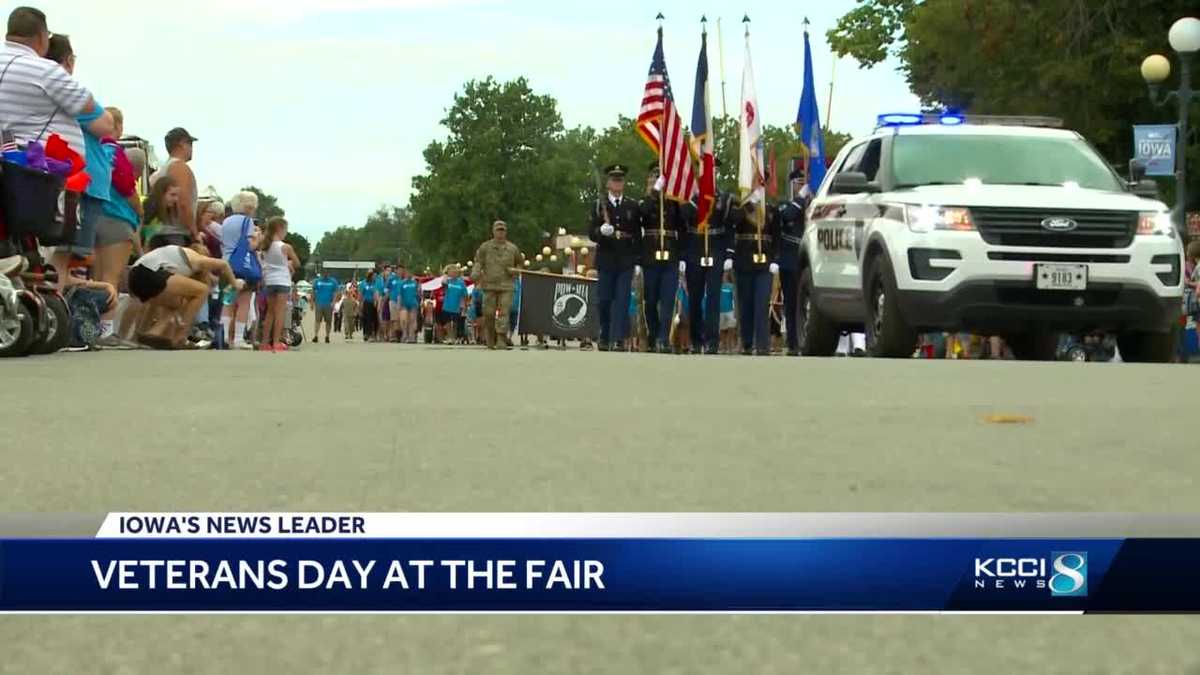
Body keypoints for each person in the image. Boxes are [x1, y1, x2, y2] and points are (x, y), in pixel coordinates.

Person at [127, 244, 243, 349]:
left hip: (134, 278)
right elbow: (223, 264)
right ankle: (180, 336)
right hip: (148, 273)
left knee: (175, 302)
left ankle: (151, 333)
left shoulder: (176, 259)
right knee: (202, 290)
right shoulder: (197, 258)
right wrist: (234, 283)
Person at [682, 168, 735, 355]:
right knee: (694, 298)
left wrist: (729, 253)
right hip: (694, 250)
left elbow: (730, 227)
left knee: (714, 298)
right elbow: (683, 221)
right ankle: (697, 340)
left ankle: (713, 340)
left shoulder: (724, 198)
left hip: (716, 249)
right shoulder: (689, 197)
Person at [588, 164, 640, 352]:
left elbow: (637, 235)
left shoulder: (632, 206)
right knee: (604, 300)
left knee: (622, 300)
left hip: (625, 259)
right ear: (608, 183)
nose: (617, 183)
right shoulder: (598, 205)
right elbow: (591, 233)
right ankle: (605, 334)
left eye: (620, 180)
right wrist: (601, 231)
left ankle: (618, 338)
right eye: (614, 180)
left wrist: (638, 260)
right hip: (606, 258)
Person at [638, 163, 687, 353]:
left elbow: (683, 226)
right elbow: (641, 215)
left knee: (668, 299)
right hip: (650, 255)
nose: (656, 180)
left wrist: (682, 256)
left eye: (660, 178)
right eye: (654, 177)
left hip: (671, 255)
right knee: (650, 301)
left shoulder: (673, 203)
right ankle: (653, 334)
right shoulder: (645, 202)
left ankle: (662, 338)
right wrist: (654, 192)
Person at [732, 200, 781, 356]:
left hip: (765, 261)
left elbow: (777, 236)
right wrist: (747, 205)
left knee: (761, 303)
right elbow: (733, 221)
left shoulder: (771, 208)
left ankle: (762, 344)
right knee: (745, 304)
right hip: (744, 260)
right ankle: (746, 343)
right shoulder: (739, 206)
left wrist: (775, 259)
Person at [472, 220, 524, 350]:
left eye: (503, 230)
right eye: (498, 230)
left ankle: (501, 339)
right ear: (493, 231)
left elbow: (520, 263)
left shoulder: (513, 248)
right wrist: (476, 273)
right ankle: (490, 337)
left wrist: (516, 270)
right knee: (488, 313)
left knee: (504, 313)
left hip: (507, 285)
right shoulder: (485, 247)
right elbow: (478, 262)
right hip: (489, 285)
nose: (500, 233)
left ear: (506, 232)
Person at [219, 190, 260, 350]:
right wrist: (258, 239)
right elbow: (250, 246)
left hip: (226, 263)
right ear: (250, 207)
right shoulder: (247, 222)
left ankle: (223, 337)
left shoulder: (226, 221)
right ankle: (238, 339)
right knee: (243, 302)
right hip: (244, 266)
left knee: (227, 302)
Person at [777, 172, 808, 356]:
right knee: (791, 303)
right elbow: (787, 216)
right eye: (799, 182)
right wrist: (800, 199)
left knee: (807, 304)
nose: (801, 186)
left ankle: (807, 339)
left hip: (809, 263)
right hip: (790, 261)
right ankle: (793, 342)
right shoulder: (784, 203)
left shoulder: (811, 203)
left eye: (804, 183)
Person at [149, 127, 199, 242]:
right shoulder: (179, 167)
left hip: (160, 231)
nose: (192, 149)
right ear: (182, 144)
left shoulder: (160, 171)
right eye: (190, 144)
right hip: (176, 233)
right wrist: (194, 233)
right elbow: (183, 201)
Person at [259, 217, 300, 352]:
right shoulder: (285, 247)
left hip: (270, 280)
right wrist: (288, 264)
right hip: (282, 280)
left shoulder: (265, 245)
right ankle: (276, 342)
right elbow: (297, 263)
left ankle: (265, 342)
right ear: (280, 229)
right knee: (280, 312)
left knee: (270, 312)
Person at [141, 176, 184, 250]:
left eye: (177, 196)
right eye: (172, 195)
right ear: (161, 193)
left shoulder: (166, 209)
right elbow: (141, 229)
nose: (176, 199)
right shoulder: (151, 205)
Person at [441, 265, 467, 344]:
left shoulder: (461, 283)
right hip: (447, 305)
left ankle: (454, 337)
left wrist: (463, 306)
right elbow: (443, 283)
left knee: (455, 323)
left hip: (456, 306)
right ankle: (449, 337)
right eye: (451, 272)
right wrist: (445, 274)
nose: (453, 273)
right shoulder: (447, 281)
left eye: (455, 272)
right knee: (448, 323)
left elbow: (464, 295)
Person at [312, 270, 339, 343]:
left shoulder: (333, 281)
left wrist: (333, 302)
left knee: (328, 321)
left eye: (326, 272)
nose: (325, 274)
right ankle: (316, 335)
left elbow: (336, 292)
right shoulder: (317, 281)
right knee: (317, 320)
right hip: (319, 303)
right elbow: (313, 291)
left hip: (328, 304)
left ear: (328, 273)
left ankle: (327, 336)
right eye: (324, 273)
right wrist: (312, 302)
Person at [398, 265, 420, 343]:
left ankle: (412, 336)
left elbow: (418, 293)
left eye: (410, 273)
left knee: (412, 320)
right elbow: (400, 295)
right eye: (407, 273)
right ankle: (405, 334)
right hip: (404, 303)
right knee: (404, 320)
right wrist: (399, 305)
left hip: (413, 303)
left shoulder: (415, 283)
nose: (409, 274)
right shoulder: (402, 283)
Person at [358, 270, 380, 341]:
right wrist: (360, 304)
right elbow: (361, 294)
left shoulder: (376, 283)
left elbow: (376, 293)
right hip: (366, 303)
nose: (374, 277)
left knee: (375, 319)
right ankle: (367, 334)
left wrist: (376, 302)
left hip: (374, 303)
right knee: (367, 319)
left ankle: (374, 334)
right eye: (373, 276)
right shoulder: (363, 283)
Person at [719, 271, 737, 354]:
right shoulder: (718, 286)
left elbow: (734, 298)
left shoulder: (731, 286)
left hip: (730, 310)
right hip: (721, 310)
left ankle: (730, 346)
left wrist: (735, 310)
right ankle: (723, 345)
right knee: (722, 329)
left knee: (731, 328)